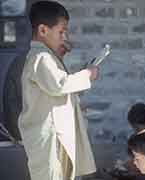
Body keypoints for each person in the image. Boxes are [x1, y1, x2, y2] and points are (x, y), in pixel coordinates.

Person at [18, 1, 98, 180]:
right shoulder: (40, 57)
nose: (64, 37)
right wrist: (87, 74)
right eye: (61, 32)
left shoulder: (48, 57)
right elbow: (59, 85)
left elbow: (57, 88)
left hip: (56, 136)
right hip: (48, 138)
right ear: (43, 30)